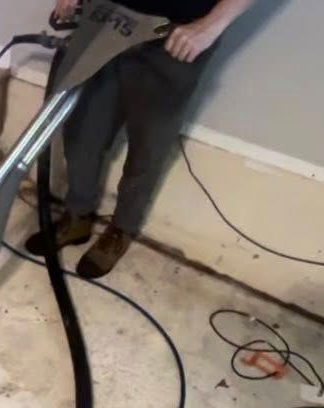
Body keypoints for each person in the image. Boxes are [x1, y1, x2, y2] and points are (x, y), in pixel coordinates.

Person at [26, 0, 254, 278]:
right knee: (83, 130)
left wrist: (211, 26)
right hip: (107, 17)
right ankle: (77, 216)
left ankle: (121, 230)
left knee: (147, 146)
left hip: (174, 35)